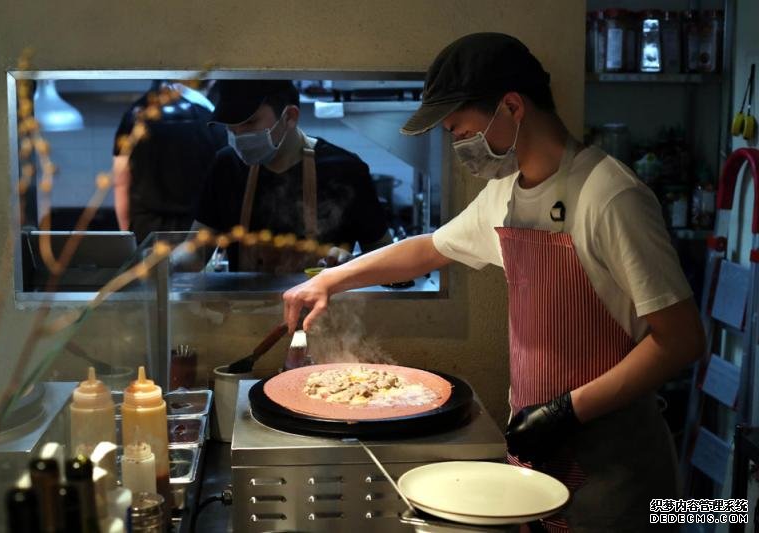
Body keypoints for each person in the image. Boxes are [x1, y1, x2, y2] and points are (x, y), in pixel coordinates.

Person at [283, 33, 704, 532]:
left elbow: (681, 339)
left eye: (459, 128)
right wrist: (332, 279)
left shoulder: (610, 197)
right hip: (539, 453)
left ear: (511, 107)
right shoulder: (504, 195)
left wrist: (566, 412)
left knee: (683, 516)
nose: (455, 142)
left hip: (621, 475)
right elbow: (430, 247)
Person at [192, 79, 392, 273]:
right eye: (230, 126)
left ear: (290, 117)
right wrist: (166, 263)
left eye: (250, 122)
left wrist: (351, 265)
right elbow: (195, 254)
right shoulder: (226, 166)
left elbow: (387, 261)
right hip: (244, 307)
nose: (238, 135)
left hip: (326, 306)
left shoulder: (345, 170)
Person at [112, 80, 222, 243]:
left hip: (145, 230)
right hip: (196, 230)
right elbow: (222, 184)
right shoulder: (209, 115)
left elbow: (121, 181)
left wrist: (126, 236)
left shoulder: (134, 114)